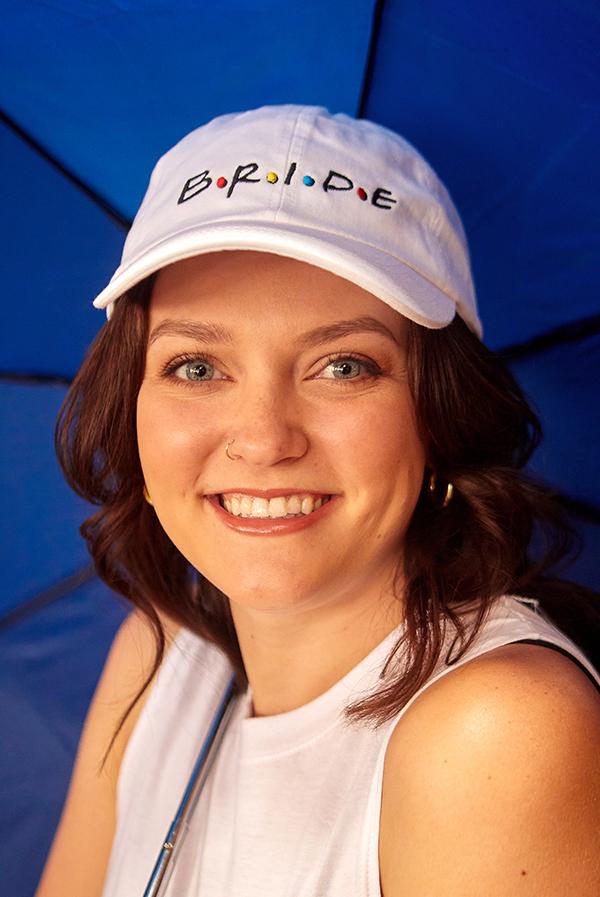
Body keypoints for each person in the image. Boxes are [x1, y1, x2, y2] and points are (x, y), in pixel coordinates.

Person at [36, 105, 600, 897]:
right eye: (197, 367)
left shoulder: (497, 732)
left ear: (438, 414)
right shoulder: (158, 656)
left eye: (343, 366)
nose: (264, 439)